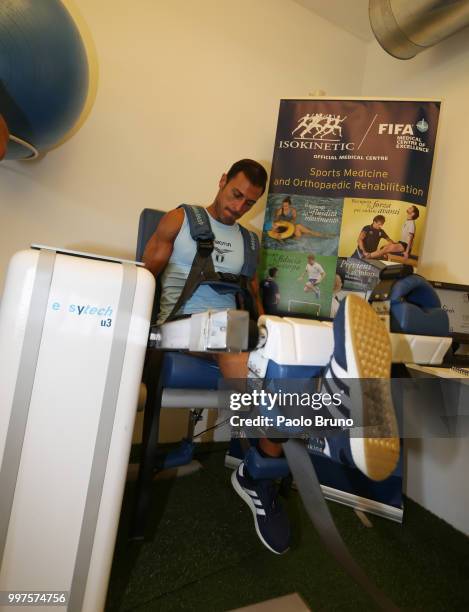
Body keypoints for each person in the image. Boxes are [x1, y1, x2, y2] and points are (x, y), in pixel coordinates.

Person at [143, 159, 291, 554]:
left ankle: (260, 469)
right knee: (235, 330)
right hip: (176, 327)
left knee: (287, 353)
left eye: (249, 203)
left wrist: (275, 336)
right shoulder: (181, 219)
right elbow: (144, 278)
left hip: (233, 333)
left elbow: (255, 299)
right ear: (222, 182)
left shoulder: (252, 241)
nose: (239, 206)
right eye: (235, 195)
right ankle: (261, 464)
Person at [270, 196, 336, 240]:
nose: (285, 207)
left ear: (290, 205)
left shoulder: (293, 211)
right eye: (283, 205)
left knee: (301, 229)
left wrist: (290, 224)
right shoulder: (280, 211)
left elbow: (293, 220)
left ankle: (325, 236)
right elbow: (276, 220)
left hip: (290, 226)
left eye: (286, 206)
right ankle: (325, 236)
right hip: (282, 227)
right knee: (301, 232)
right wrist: (276, 224)